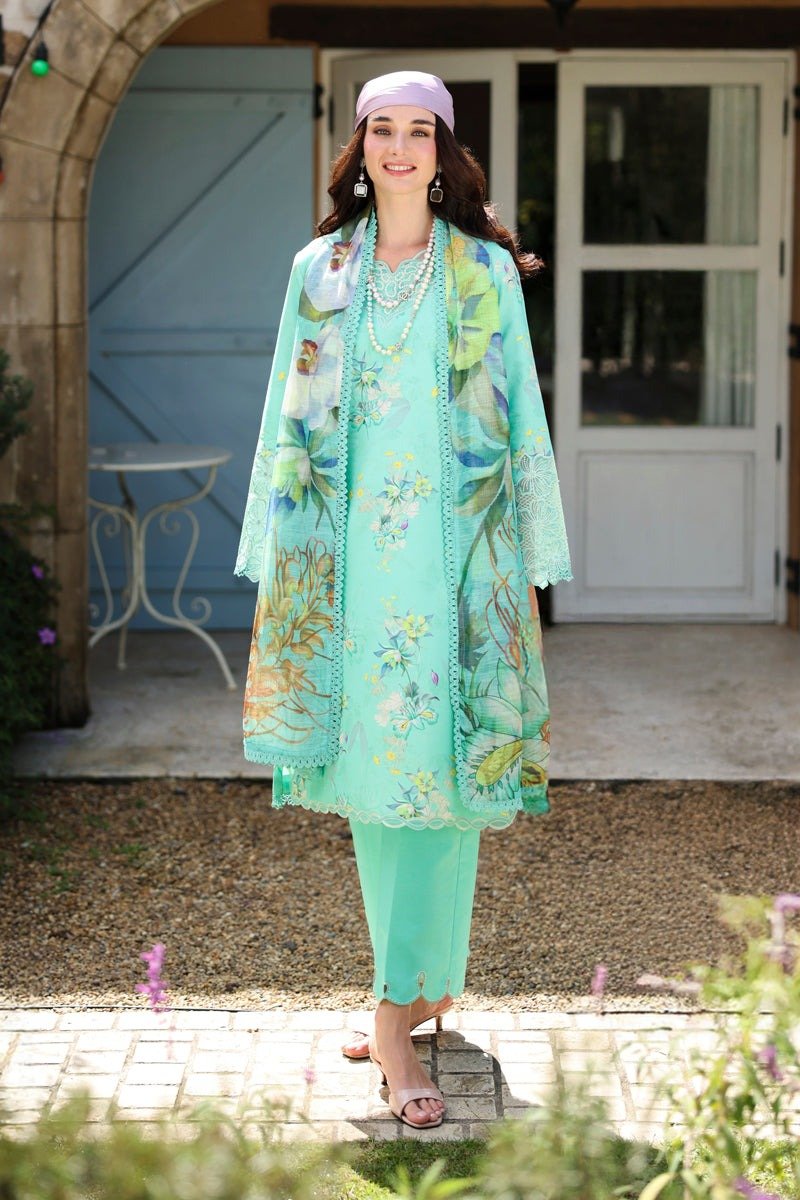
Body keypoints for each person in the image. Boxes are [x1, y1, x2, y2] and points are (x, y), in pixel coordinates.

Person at [234, 70, 573, 1130]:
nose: (396, 146)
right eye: (379, 128)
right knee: (376, 779)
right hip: (348, 571)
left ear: (443, 152)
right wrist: (276, 546)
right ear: (358, 148)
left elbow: (519, 415)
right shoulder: (319, 270)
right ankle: (405, 1000)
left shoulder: (481, 271)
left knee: (449, 775)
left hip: (454, 563)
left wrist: (527, 552)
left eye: (417, 131)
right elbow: (284, 413)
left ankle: (407, 998)